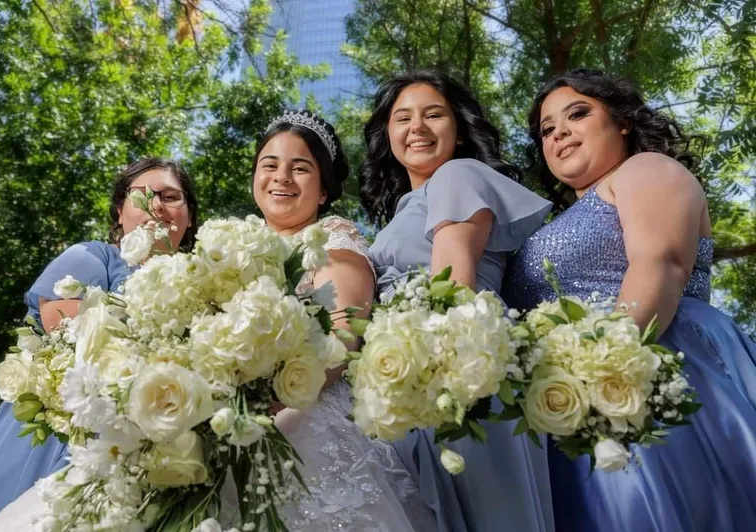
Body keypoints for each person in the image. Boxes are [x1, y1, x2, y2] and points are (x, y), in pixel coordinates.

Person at [503, 68, 756, 531]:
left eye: (578, 114)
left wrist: (605, 369)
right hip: (567, 403)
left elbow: (661, 265)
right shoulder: (551, 223)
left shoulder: (645, 169)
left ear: (622, 122)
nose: (559, 132)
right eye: (546, 129)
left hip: (648, 364)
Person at [0, 157, 198, 532]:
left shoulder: (203, 283)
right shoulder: (94, 256)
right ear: (119, 212)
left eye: (170, 196)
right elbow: (67, 327)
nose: (156, 205)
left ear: (189, 216)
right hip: (65, 432)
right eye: (143, 195)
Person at [222, 109, 436, 531]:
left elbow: (342, 337)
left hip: (306, 427)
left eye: (300, 168)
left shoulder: (333, 241)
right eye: (270, 165)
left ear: (322, 191)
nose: (282, 177)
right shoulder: (227, 249)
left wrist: (259, 404)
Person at [362, 70, 555, 532]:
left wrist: (445, 377)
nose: (417, 127)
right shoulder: (405, 208)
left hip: (455, 366)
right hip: (412, 369)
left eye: (433, 115)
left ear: (461, 129)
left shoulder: (458, 174)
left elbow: (455, 282)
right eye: (402, 118)